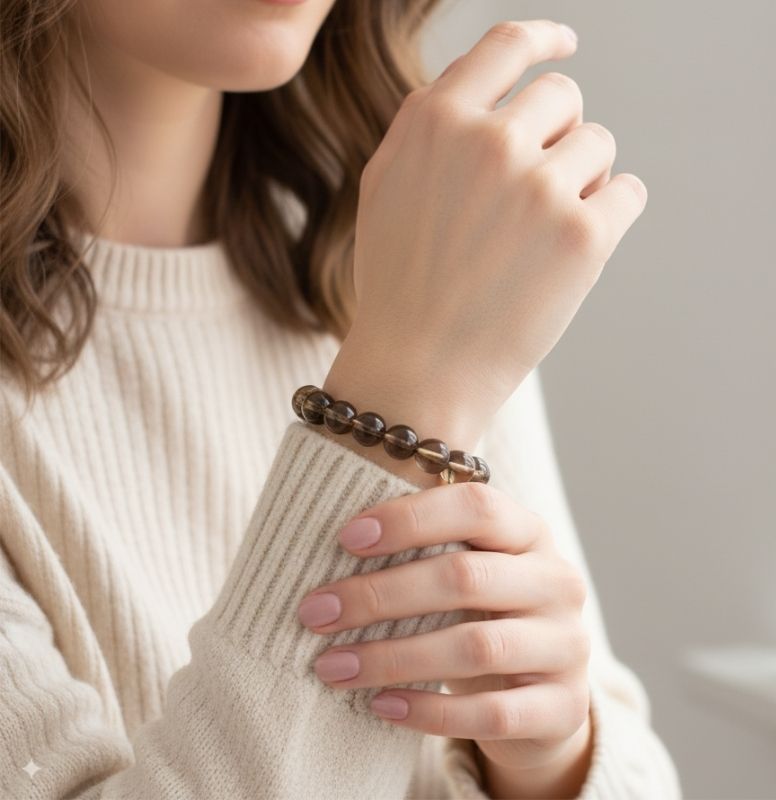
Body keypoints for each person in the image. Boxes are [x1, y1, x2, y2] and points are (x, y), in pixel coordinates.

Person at [0, 0, 681, 797]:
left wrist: (547, 760)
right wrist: (404, 388)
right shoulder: (416, 317)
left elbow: (628, 756)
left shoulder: (402, 264)